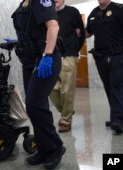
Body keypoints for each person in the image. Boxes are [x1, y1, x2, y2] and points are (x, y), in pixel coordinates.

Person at [12, 0, 65, 169]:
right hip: (29, 61)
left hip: (45, 59)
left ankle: (55, 147)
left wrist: (48, 55)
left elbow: (53, 26)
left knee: (34, 103)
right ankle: (44, 148)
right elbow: (30, 31)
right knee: (34, 106)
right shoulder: (23, 4)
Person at [86, 0, 123, 134]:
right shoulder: (94, 13)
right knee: (108, 87)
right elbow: (88, 32)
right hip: (101, 57)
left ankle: (118, 120)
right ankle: (116, 116)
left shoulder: (119, 9)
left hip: (118, 56)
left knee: (117, 86)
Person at [49, 0, 85, 133]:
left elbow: (80, 35)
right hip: (50, 55)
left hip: (68, 55)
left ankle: (65, 120)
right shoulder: (47, 13)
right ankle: (67, 111)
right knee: (51, 89)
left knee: (67, 89)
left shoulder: (72, 12)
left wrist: (74, 50)